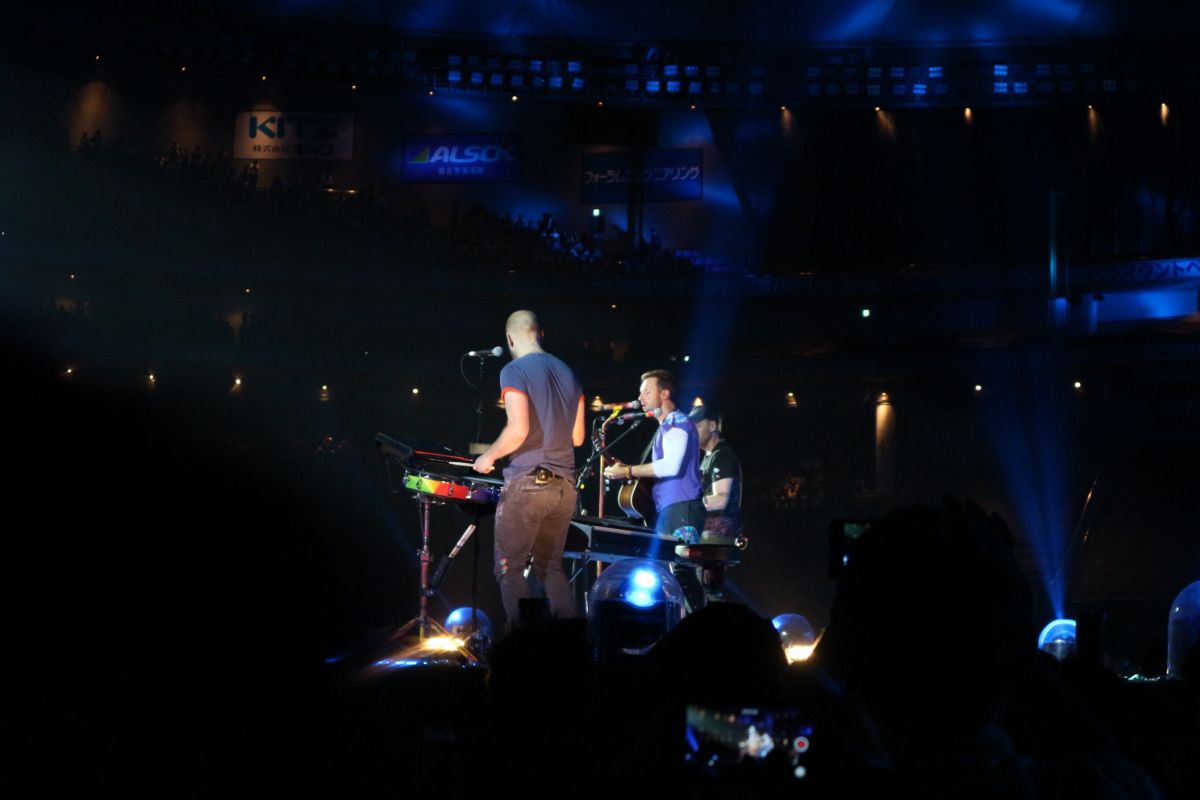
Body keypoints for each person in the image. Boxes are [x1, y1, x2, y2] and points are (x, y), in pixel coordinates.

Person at [473, 310, 585, 628]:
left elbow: (518, 430)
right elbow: (577, 437)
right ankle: (570, 643)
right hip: (564, 487)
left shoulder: (514, 370)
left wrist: (487, 458)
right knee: (551, 568)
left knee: (509, 568)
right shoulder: (569, 372)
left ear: (510, 338)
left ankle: (525, 645)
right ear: (540, 334)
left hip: (528, 483)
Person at [603, 369, 704, 538]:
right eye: (640, 393)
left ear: (664, 394)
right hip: (673, 508)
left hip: (680, 508)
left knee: (678, 556)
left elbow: (671, 466)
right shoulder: (667, 425)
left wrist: (627, 470)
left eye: (647, 392)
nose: (640, 398)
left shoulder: (675, 421)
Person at [689, 406, 743, 540]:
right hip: (705, 533)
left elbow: (720, 500)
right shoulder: (708, 457)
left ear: (712, 426)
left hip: (717, 536)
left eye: (697, 427)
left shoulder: (722, 455)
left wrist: (687, 504)